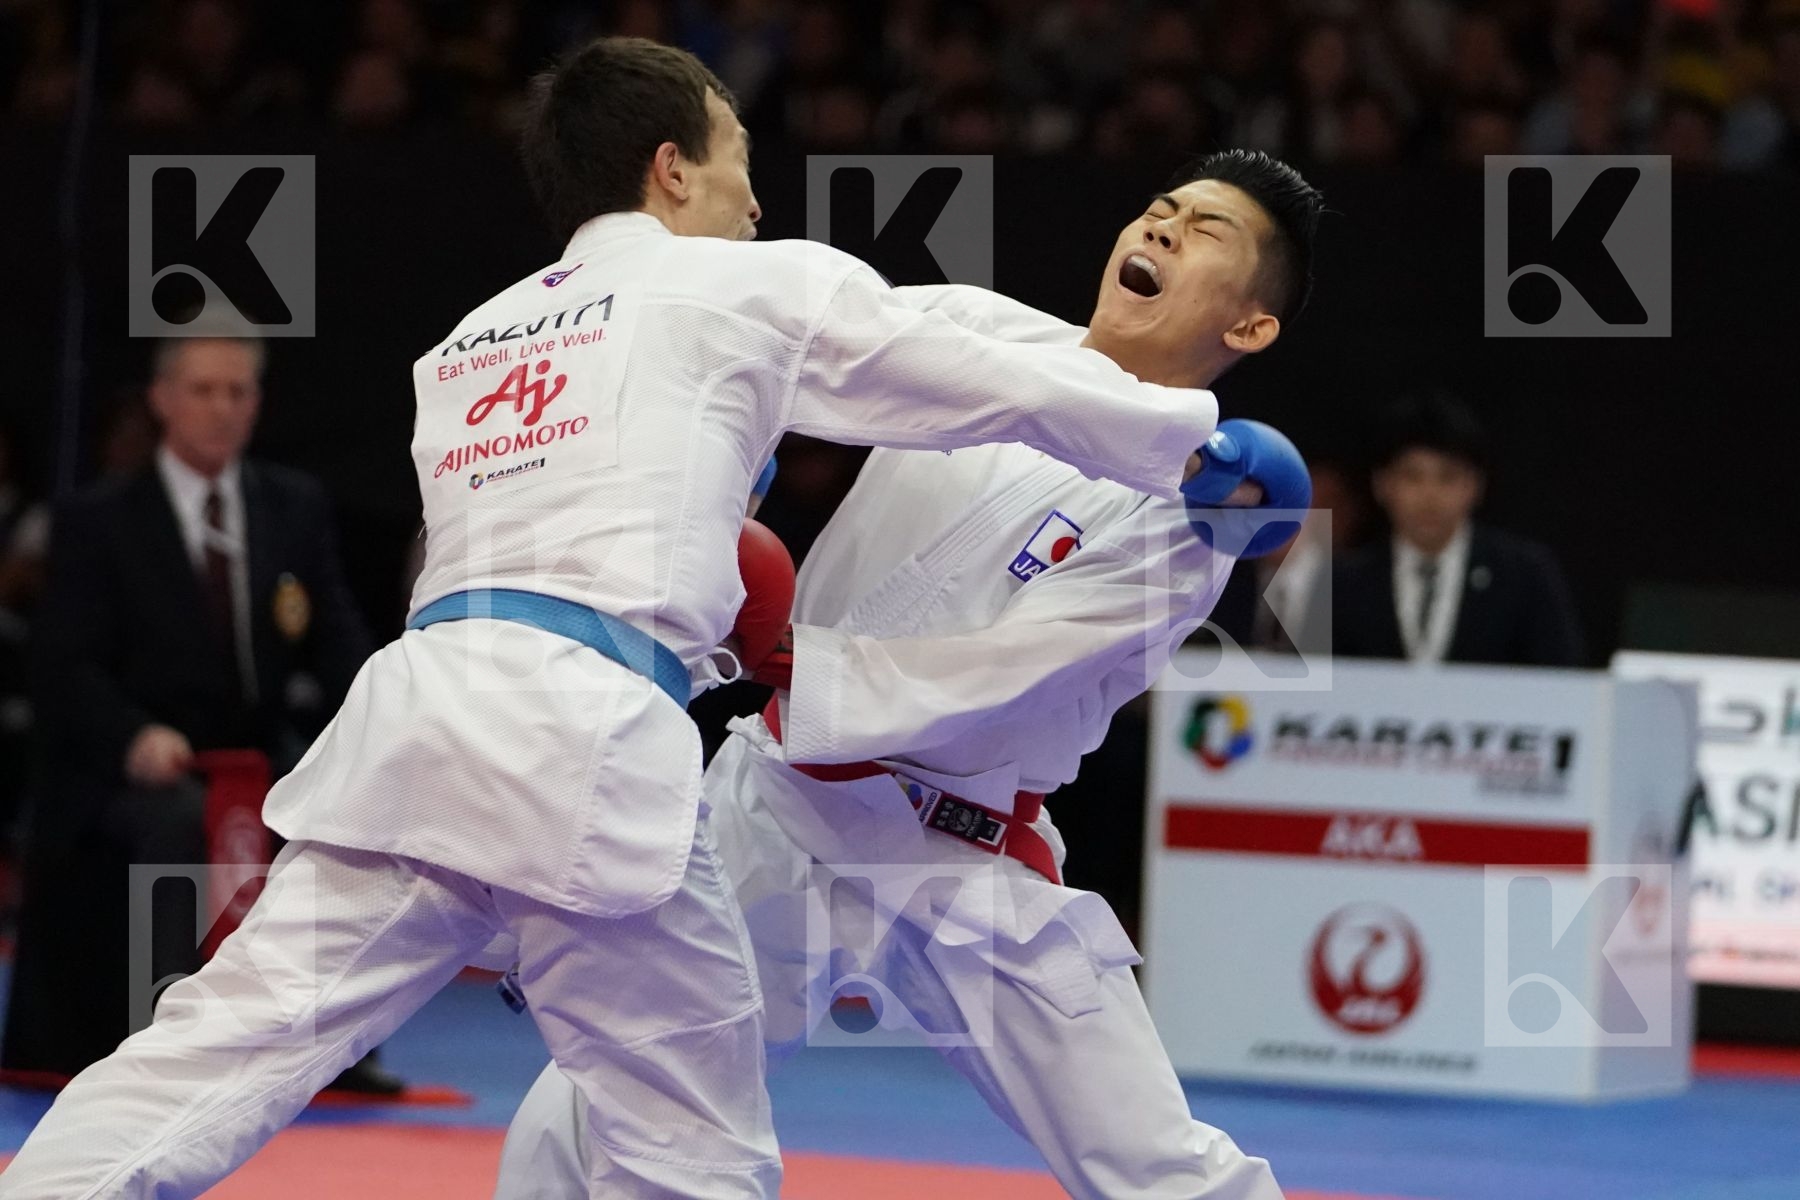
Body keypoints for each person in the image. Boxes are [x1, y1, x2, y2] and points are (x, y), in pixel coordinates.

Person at [0, 37, 1229, 1200]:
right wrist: (1191, 444)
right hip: (581, 742)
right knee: (694, 1148)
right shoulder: (741, 283)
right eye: (740, 157)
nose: (757, 199)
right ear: (672, 164)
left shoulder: (465, 345)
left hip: (420, 722)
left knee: (219, 1043)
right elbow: (976, 375)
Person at [494, 149, 1321, 1200]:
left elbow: (1016, 671)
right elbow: (798, 345)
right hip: (780, 810)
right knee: (603, 1097)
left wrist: (791, 656)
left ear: (1247, 325)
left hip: (966, 854)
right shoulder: (980, 334)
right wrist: (721, 453)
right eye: (1158, 209)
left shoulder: (1189, 510)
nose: (1159, 229)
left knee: (1154, 1165)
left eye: (1205, 231)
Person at [2, 328, 379, 1086]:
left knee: (337, 811)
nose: (222, 408)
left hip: (255, 751)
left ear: (257, 404)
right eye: (204, 390)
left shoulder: (291, 506)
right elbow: (61, 666)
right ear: (163, 400)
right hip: (132, 767)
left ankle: (333, 1047)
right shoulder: (98, 518)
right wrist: (133, 736)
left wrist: (379, 719)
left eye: (238, 391)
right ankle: (163, 1039)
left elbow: (337, 641)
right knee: (174, 818)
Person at [1331, 393, 1585, 667]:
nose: (1430, 496)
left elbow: (1562, 679)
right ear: (1382, 485)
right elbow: (1313, 689)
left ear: (1475, 486)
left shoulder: (1525, 575)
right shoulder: (1342, 583)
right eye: (1412, 476)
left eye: (1447, 477)